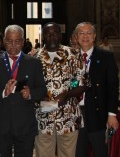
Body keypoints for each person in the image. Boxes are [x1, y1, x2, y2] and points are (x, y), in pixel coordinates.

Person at [0, 25, 46, 157]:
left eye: (17, 41)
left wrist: (30, 94)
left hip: (25, 124)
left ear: (23, 42)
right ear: (4, 41)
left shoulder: (34, 63)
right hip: (2, 125)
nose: (13, 45)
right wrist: (4, 93)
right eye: (9, 41)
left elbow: (42, 89)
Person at [34, 22, 90, 157]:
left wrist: (66, 94)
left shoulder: (73, 54)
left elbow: (81, 82)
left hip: (68, 116)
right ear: (43, 37)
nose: (51, 36)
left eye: (55, 33)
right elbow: (30, 85)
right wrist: (39, 96)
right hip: (43, 117)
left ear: (60, 36)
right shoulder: (34, 57)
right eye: (48, 34)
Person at [75, 22, 119, 157]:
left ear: (94, 36)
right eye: (82, 33)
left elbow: (113, 87)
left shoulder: (106, 56)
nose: (85, 36)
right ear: (76, 37)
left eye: (89, 33)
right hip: (76, 116)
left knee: (100, 152)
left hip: (97, 115)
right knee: (78, 153)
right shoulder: (70, 57)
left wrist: (112, 114)